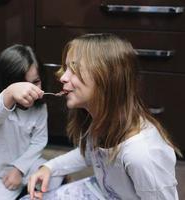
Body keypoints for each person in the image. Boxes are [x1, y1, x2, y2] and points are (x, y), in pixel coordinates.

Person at [23, 33, 182, 200]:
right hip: (102, 191)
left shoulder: (142, 154)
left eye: (75, 69)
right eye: (66, 68)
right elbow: (91, 154)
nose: (63, 77)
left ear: (108, 78)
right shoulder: (100, 118)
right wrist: (50, 167)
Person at [0, 44, 64, 200]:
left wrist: (19, 169)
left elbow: (39, 141)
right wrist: (11, 92)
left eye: (36, 82)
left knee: (57, 175)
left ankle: (28, 187)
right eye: (21, 85)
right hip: (1, 170)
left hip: (29, 163)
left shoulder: (40, 107)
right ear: (6, 83)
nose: (29, 91)